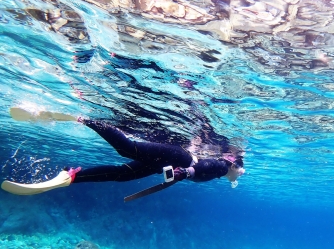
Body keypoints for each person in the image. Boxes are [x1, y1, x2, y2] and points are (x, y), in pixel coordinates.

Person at [1, 108, 245, 196]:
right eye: (241, 171)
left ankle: (73, 175)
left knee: (122, 174)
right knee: (126, 149)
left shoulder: (222, 171)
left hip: (168, 164)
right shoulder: (222, 167)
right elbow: (207, 166)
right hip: (178, 156)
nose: (240, 176)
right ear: (234, 163)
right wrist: (188, 172)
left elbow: (203, 169)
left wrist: (184, 173)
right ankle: (84, 119)